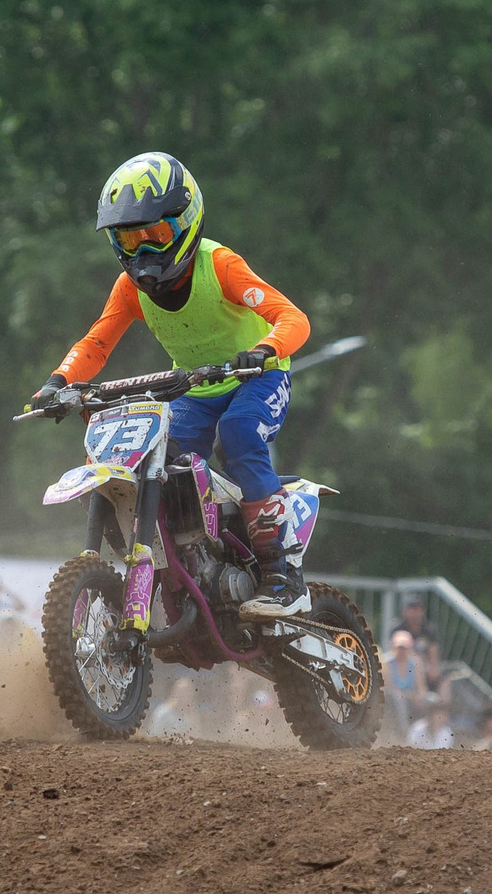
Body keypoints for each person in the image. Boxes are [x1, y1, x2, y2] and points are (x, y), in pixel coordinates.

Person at [29, 152, 314, 616]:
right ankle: (188, 560)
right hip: (194, 391)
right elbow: (97, 343)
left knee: (240, 435)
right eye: (129, 239)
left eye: (155, 236)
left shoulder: (218, 264)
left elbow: (292, 317)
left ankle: (283, 575)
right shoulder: (130, 288)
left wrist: (262, 352)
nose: (143, 253)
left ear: (185, 222)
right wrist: (58, 382)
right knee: (153, 462)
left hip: (255, 380)